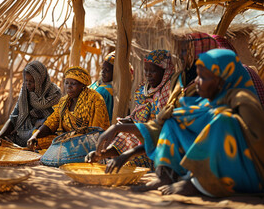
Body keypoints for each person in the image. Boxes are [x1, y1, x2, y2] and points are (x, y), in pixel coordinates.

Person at [96, 49, 264, 197]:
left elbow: (257, 146)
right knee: (173, 120)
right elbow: (157, 127)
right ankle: (165, 176)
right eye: (197, 76)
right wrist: (118, 128)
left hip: (245, 174)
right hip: (207, 165)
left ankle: (198, 183)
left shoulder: (244, 101)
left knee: (223, 121)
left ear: (222, 80)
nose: (197, 82)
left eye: (203, 77)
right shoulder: (205, 103)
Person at [86, 49, 174, 169]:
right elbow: (137, 119)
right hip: (141, 139)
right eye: (146, 70)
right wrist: (100, 154)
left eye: (153, 71)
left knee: (127, 165)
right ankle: (102, 154)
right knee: (125, 134)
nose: (148, 74)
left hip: (160, 146)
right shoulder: (144, 90)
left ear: (165, 72)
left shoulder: (168, 94)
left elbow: (157, 130)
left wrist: (122, 127)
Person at [27, 66, 110, 150]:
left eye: (73, 84)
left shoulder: (95, 99)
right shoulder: (64, 102)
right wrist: (35, 136)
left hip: (86, 141)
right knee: (38, 138)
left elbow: (97, 129)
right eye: (67, 83)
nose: (69, 87)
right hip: (67, 140)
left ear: (82, 85)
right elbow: (52, 121)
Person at [0, 61, 61, 147]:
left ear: (41, 80)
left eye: (31, 81)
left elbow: (54, 121)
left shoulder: (55, 94)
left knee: (43, 126)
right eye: (26, 80)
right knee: (2, 138)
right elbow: (14, 117)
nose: (28, 83)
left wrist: (36, 134)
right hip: (26, 133)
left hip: (44, 132)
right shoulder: (25, 93)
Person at [89, 51, 115, 121]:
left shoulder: (107, 90)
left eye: (107, 70)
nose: (103, 72)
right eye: (102, 69)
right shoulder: (97, 83)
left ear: (114, 72)